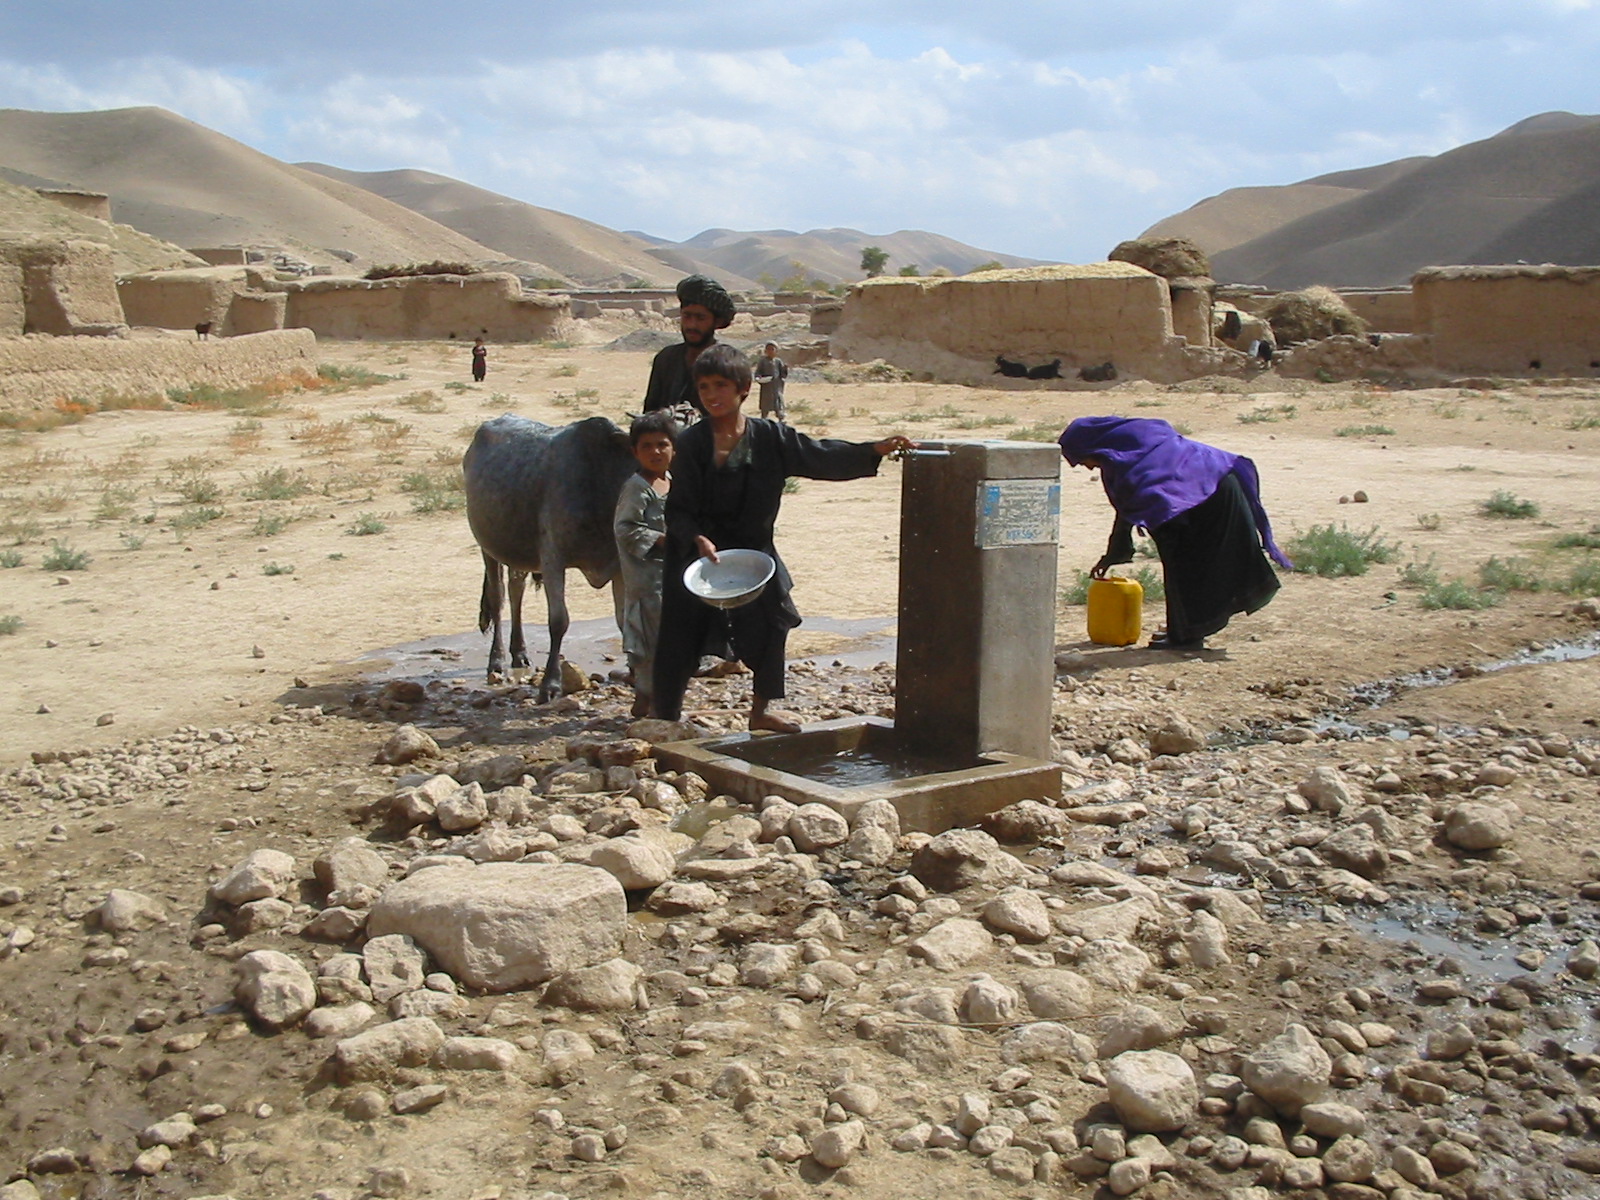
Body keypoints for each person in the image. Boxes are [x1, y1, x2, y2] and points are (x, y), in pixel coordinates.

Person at [652, 344, 914, 731]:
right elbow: (677, 509)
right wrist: (696, 539)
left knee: (773, 622)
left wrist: (873, 449)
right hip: (697, 554)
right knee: (680, 632)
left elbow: (819, 455)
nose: (711, 395)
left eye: (720, 385)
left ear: (743, 389)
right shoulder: (691, 443)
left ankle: (760, 713)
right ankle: (665, 716)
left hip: (753, 552)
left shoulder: (770, 437)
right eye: (704, 386)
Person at [1059, 416, 1293, 651]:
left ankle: (1186, 636)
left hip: (1208, 494)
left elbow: (1150, 506)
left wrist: (1121, 549)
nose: (1087, 467)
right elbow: (1128, 508)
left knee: (1184, 562)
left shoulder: (1133, 461)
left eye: (1082, 459)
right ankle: (1185, 631)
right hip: (1211, 484)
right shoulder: (1130, 452)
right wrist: (1114, 553)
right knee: (1190, 561)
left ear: (1093, 447)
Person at [613, 410, 678, 718]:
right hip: (646, 581)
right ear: (635, 452)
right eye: (647, 446)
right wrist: (662, 540)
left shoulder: (670, 482)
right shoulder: (637, 488)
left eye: (662, 444)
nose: (656, 452)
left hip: (669, 578)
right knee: (650, 641)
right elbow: (625, 528)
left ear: (673, 449)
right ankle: (650, 699)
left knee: (668, 639)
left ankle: (650, 699)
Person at [643, 275, 736, 416]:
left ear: (717, 322)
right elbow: (650, 412)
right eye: (687, 316)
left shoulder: (727, 361)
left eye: (700, 318)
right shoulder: (666, 358)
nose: (692, 325)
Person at [754, 342, 788, 421]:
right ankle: (764, 420)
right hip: (766, 387)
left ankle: (781, 419)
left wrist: (785, 369)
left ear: (776, 351)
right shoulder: (763, 361)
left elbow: (783, 374)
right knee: (765, 404)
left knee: (778, 403)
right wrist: (759, 378)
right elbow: (758, 372)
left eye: (772, 349)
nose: (770, 351)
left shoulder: (778, 361)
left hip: (776, 387)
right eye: (768, 349)